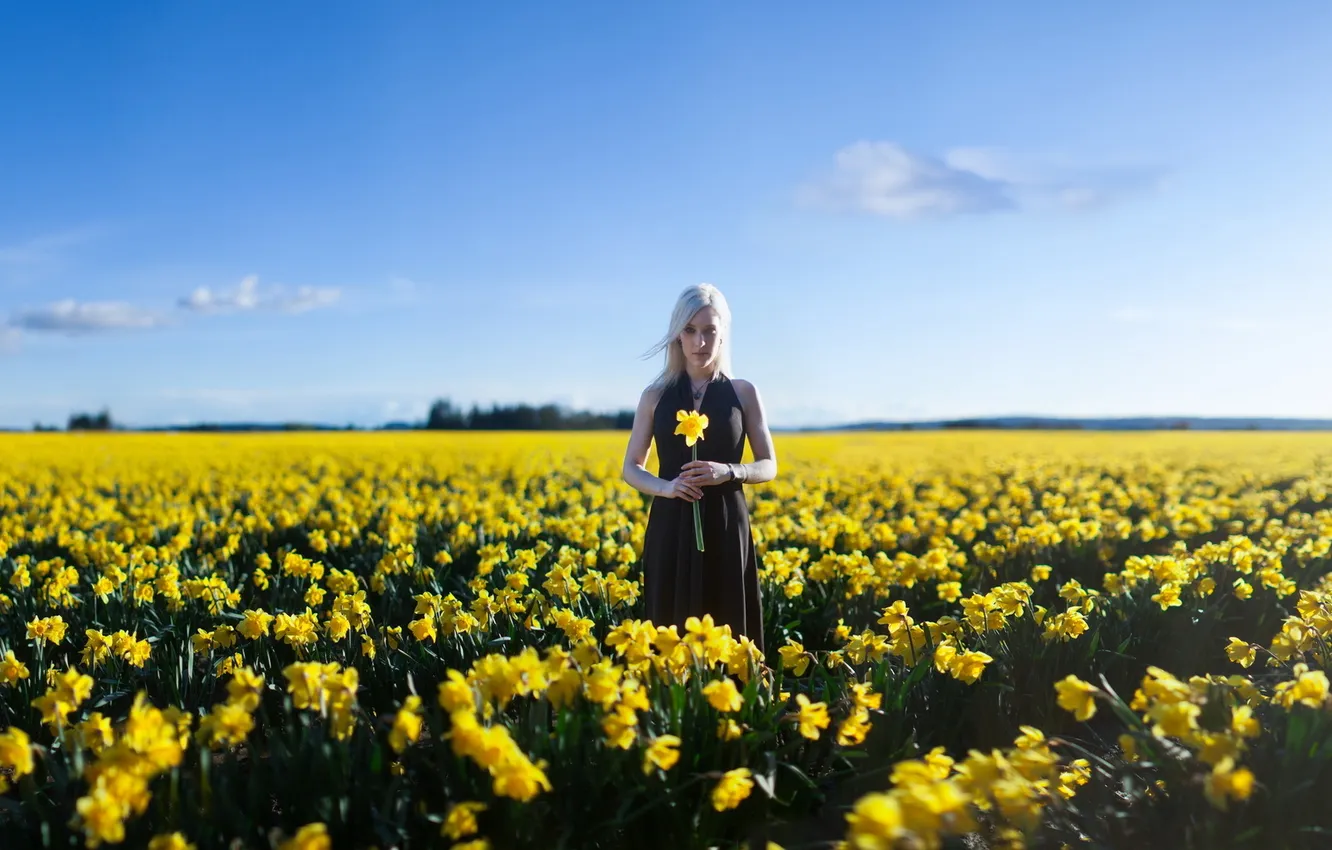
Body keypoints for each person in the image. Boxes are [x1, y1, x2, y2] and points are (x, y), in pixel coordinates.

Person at [621, 283, 777, 654]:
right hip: (670, 525)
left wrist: (729, 471)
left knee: (729, 632)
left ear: (723, 335)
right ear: (677, 335)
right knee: (670, 633)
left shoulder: (744, 392)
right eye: (690, 330)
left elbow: (769, 465)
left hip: (726, 524)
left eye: (709, 331)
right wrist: (668, 487)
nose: (700, 341)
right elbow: (631, 467)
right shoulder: (654, 396)